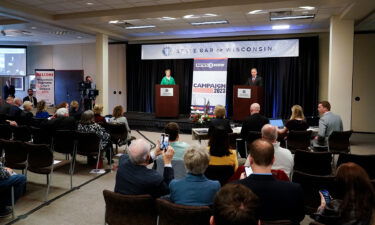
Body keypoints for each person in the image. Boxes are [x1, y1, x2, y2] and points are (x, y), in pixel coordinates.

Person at [237, 139, 305, 223]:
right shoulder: (294, 189)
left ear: (250, 160)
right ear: (273, 160)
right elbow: (299, 217)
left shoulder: (234, 189)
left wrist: (239, 185)